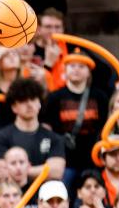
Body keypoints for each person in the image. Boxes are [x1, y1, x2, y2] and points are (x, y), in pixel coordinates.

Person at [41, 47, 108, 177]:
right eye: (72, 66)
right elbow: (47, 128)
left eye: (82, 67)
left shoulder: (100, 97)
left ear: (89, 72)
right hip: (64, 160)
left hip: (92, 160)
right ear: (65, 70)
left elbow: (105, 126)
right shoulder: (54, 97)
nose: (76, 69)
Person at [0, 78, 66, 182]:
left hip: (43, 195)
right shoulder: (1, 137)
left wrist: (17, 172)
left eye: (33, 99)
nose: (29, 104)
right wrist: (42, 170)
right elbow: (1, 174)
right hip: (14, 195)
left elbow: (56, 171)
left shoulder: (53, 138)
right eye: (23, 101)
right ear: (14, 107)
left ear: (39, 104)